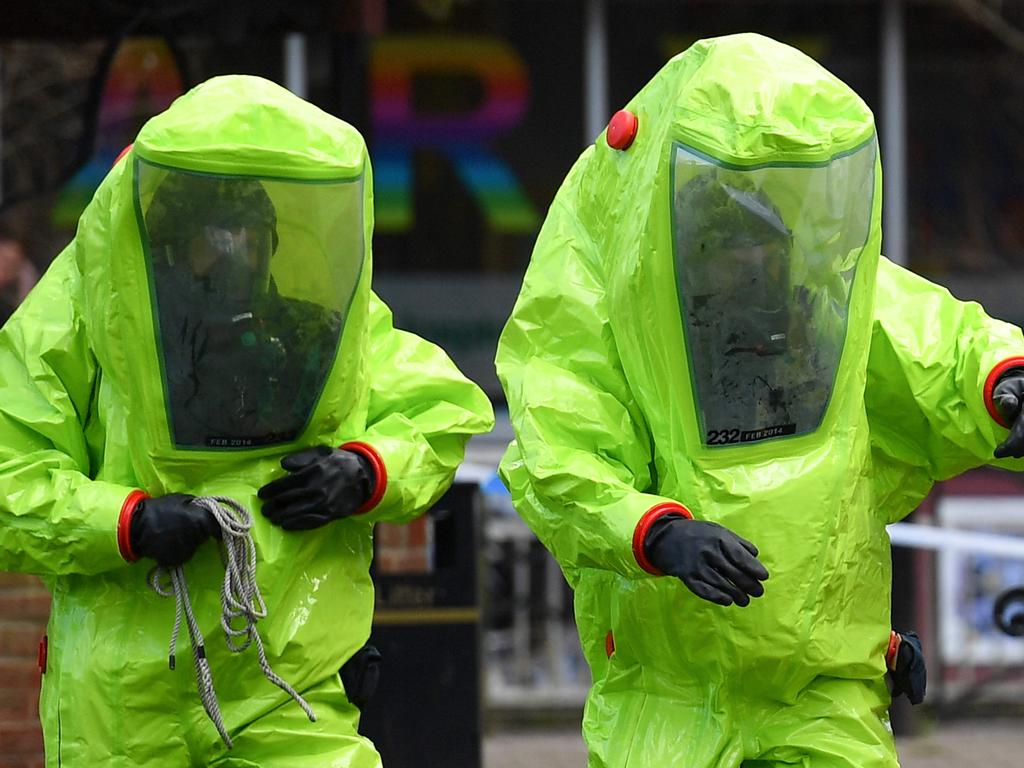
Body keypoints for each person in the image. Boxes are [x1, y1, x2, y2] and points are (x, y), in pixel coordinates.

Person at [496, 34, 1024, 767]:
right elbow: (558, 460)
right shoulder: (612, 318)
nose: (753, 261)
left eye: (764, 239)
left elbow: (940, 346)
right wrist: (655, 533)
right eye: (728, 241)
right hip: (672, 702)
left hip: (823, 690)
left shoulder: (822, 314)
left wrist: (1003, 384)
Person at [0, 74, 493, 767]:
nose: (238, 256)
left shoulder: (310, 330)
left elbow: (437, 412)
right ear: (167, 239)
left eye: (251, 236)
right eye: (215, 236)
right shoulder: (79, 319)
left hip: (287, 678)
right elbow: (10, 477)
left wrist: (363, 470)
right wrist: (127, 522)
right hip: (122, 701)